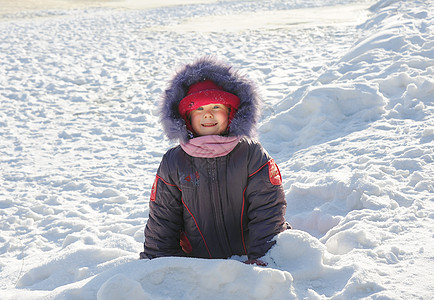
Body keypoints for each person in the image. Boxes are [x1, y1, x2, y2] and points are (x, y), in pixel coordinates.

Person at [140, 57, 290, 265]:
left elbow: (267, 211)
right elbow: (163, 221)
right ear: (186, 117)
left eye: (216, 107)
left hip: (250, 259)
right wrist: (158, 266)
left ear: (231, 112)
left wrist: (262, 259)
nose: (208, 115)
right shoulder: (173, 163)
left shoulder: (251, 154)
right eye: (198, 109)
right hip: (201, 265)